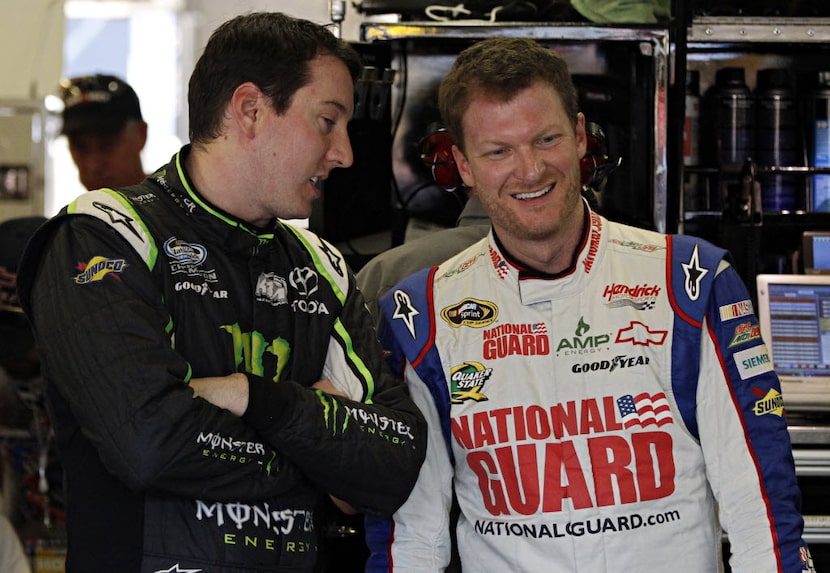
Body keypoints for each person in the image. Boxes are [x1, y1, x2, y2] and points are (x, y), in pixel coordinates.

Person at [366, 37, 814, 572]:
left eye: (546, 138)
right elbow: (411, 540)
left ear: (580, 137)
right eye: (498, 151)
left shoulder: (688, 283)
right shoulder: (420, 314)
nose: (529, 170)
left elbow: (758, 506)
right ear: (463, 164)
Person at [16, 11, 426, 573]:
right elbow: (149, 446)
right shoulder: (105, 235)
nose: (344, 154)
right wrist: (322, 441)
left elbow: (397, 464)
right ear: (251, 109)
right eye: (328, 121)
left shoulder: (322, 265)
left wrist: (252, 397)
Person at [58, 73, 147, 190]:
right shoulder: (78, 208)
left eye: (107, 144)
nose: (93, 165)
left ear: (141, 134)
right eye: (80, 147)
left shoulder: (174, 204)